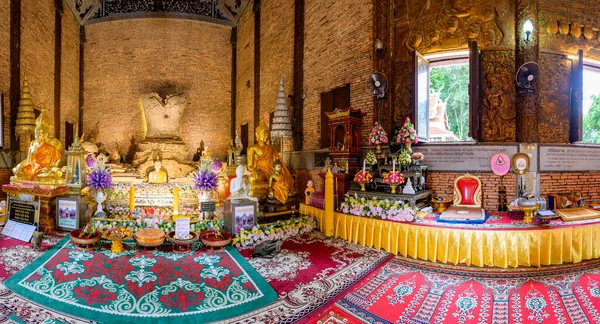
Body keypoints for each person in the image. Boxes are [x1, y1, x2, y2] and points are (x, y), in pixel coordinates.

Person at [247, 119, 294, 203]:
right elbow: (250, 166)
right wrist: (255, 170)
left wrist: (278, 169)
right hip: (261, 171)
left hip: (273, 170)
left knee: (286, 177)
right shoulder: (252, 148)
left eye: (267, 134)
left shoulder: (271, 148)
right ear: (256, 135)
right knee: (253, 178)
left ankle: (283, 191)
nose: (266, 136)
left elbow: (277, 161)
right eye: (263, 133)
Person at [13, 110, 63, 181]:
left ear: (45, 134)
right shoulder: (32, 145)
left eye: (40, 133)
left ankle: (37, 177)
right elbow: (28, 160)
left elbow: (57, 160)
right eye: (36, 133)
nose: (37, 136)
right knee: (17, 171)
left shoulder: (51, 147)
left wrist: (51, 167)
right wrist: (19, 166)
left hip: (44, 169)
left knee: (55, 173)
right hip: (32, 167)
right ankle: (32, 177)